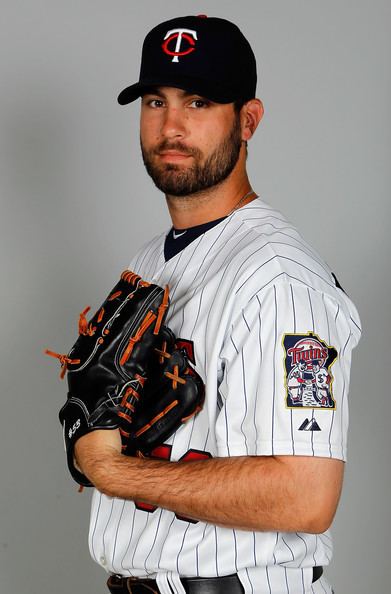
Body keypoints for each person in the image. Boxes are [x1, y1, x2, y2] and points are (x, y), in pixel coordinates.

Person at [73, 15, 361, 594]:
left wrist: (111, 468)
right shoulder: (152, 259)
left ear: (247, 120)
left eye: (199, 102)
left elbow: (306, 496)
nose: (171, 126)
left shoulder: (281, 281)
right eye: (156, 100)